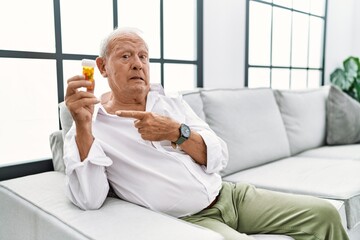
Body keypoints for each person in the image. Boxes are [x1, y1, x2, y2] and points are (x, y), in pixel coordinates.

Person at [64, 28, 349, 240]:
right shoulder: (90, 125)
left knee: (324, 214)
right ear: (102, 67)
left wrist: (177, 132)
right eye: (125, 56)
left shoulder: (169, 101)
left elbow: (220, 155)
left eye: (143, 57)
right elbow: (90, 198)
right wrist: (83, 126)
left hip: (230, 195)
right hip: (190, 220)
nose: (138, 64)